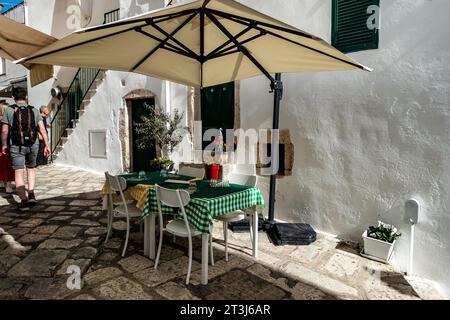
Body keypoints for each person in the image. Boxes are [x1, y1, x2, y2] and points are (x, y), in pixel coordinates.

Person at [1, 87, 50, 211]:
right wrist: (47, 145)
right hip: (33, 145)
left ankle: (23, 201)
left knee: (18, 172)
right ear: (26, 97)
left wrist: (4, 145)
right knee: (31, 169)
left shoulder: (9, 110)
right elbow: (42, 129)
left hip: (16, 146)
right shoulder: (34, 110)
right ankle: (31, 194)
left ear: (13, 97)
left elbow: (5, 130)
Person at [0, 100, 14, 193]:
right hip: (6, 146)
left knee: (2, 165)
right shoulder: (6, 121)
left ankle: (1, 182)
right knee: (8, 166)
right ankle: (8, 185)